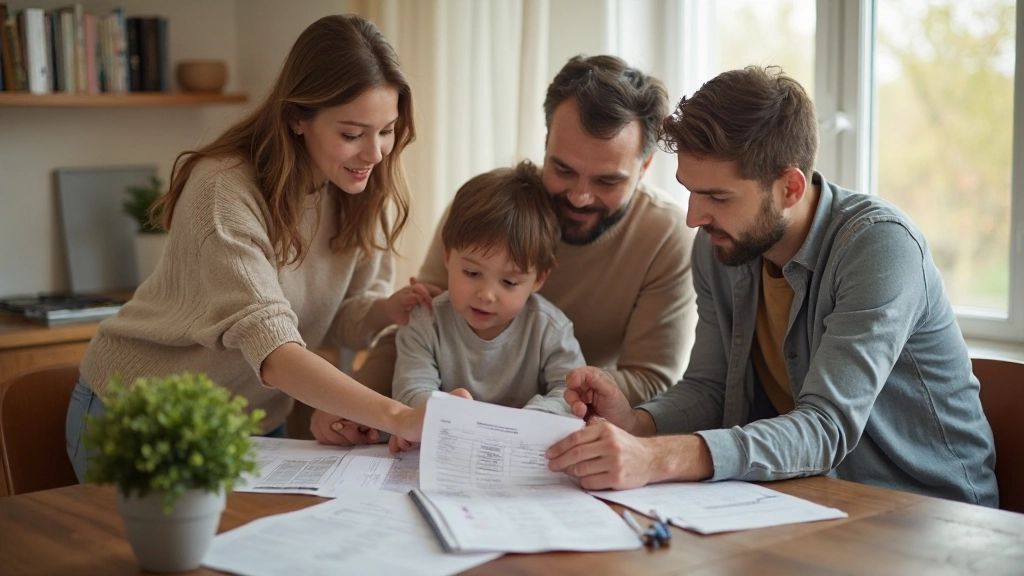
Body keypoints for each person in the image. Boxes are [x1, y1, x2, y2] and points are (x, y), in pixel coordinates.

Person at [546, 65, 998, 507]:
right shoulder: (721, 246)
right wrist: (637, 423)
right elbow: (709, 387)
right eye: (691, 191)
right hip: (807, 499)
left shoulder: (879, 247)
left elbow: (824, 428)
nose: (693, 217)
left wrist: (658, 457)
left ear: (790, 188)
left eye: (717, 197)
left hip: (927, 513)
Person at [65, 15, 438, 481]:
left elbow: (337, 319)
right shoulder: (223, 189)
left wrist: (385, 310)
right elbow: (274, 350)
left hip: (251, 423)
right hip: (140, 413)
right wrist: (400, 417)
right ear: (296, 118)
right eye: (352, 133)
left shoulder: (360, 187)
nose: (376, 153)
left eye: (387, 130)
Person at [318, 55, 698, 442]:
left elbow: (649, 378)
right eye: (563, 169)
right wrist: (355, 405)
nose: (581, 197)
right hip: (451, 426)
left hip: (558, 426)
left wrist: (523, 417)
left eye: (607, 181)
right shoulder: (487, 213)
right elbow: (421, 324)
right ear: (546, 143)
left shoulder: (667, 238)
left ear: (645, 166)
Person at [392, 161, 584, 427]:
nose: (487, 295)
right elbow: (410, 391)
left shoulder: (550, 330)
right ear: (447, 255)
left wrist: (530, 417)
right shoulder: (425, 320)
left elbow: (572, 392)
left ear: (539, 278)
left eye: (508, 282)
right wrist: (444, 407)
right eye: (472, 273)